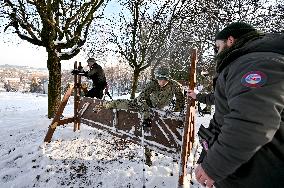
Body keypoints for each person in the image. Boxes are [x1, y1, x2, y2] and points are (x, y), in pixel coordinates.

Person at [194, 22, 284, 188]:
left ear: (230, 40)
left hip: (257, 175)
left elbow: (252, 121)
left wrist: (214, 166)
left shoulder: (254, 62)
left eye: (217, 47)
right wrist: (198, 97)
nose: (216, 53)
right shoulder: (249, 61)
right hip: (249, 170)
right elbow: (226, 98)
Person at [104, 66, 185, 166]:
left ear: (168, 78)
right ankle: (108, 104)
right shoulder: (152, 84)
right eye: (159, 79)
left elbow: (180, 100)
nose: (162, 82)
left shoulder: (175, 86)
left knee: (155, 130)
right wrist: (146, 116)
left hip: (158, 108)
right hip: (145, 104)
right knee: (128, 106)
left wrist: (176, 114)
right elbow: (141, 99)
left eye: (164, 79)